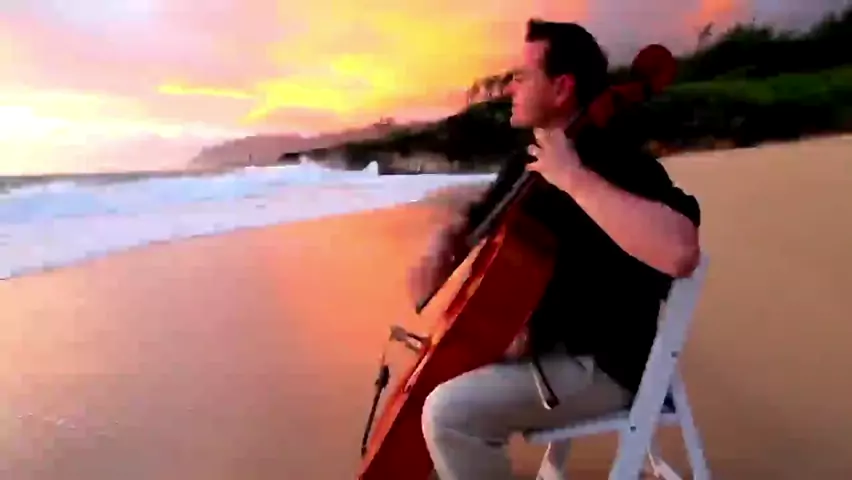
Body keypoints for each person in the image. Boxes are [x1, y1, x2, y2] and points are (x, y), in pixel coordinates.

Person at [408, 19, 702, 480]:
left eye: (522, 77)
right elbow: (430, 278)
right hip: (543, 353)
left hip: (603, 365)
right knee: (431, 399)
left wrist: (572, 177)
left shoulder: (616, 161)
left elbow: (680, 251)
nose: (511, 88)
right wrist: (441, 241)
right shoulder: (524, 164)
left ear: (562, 88)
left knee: (449, 415)